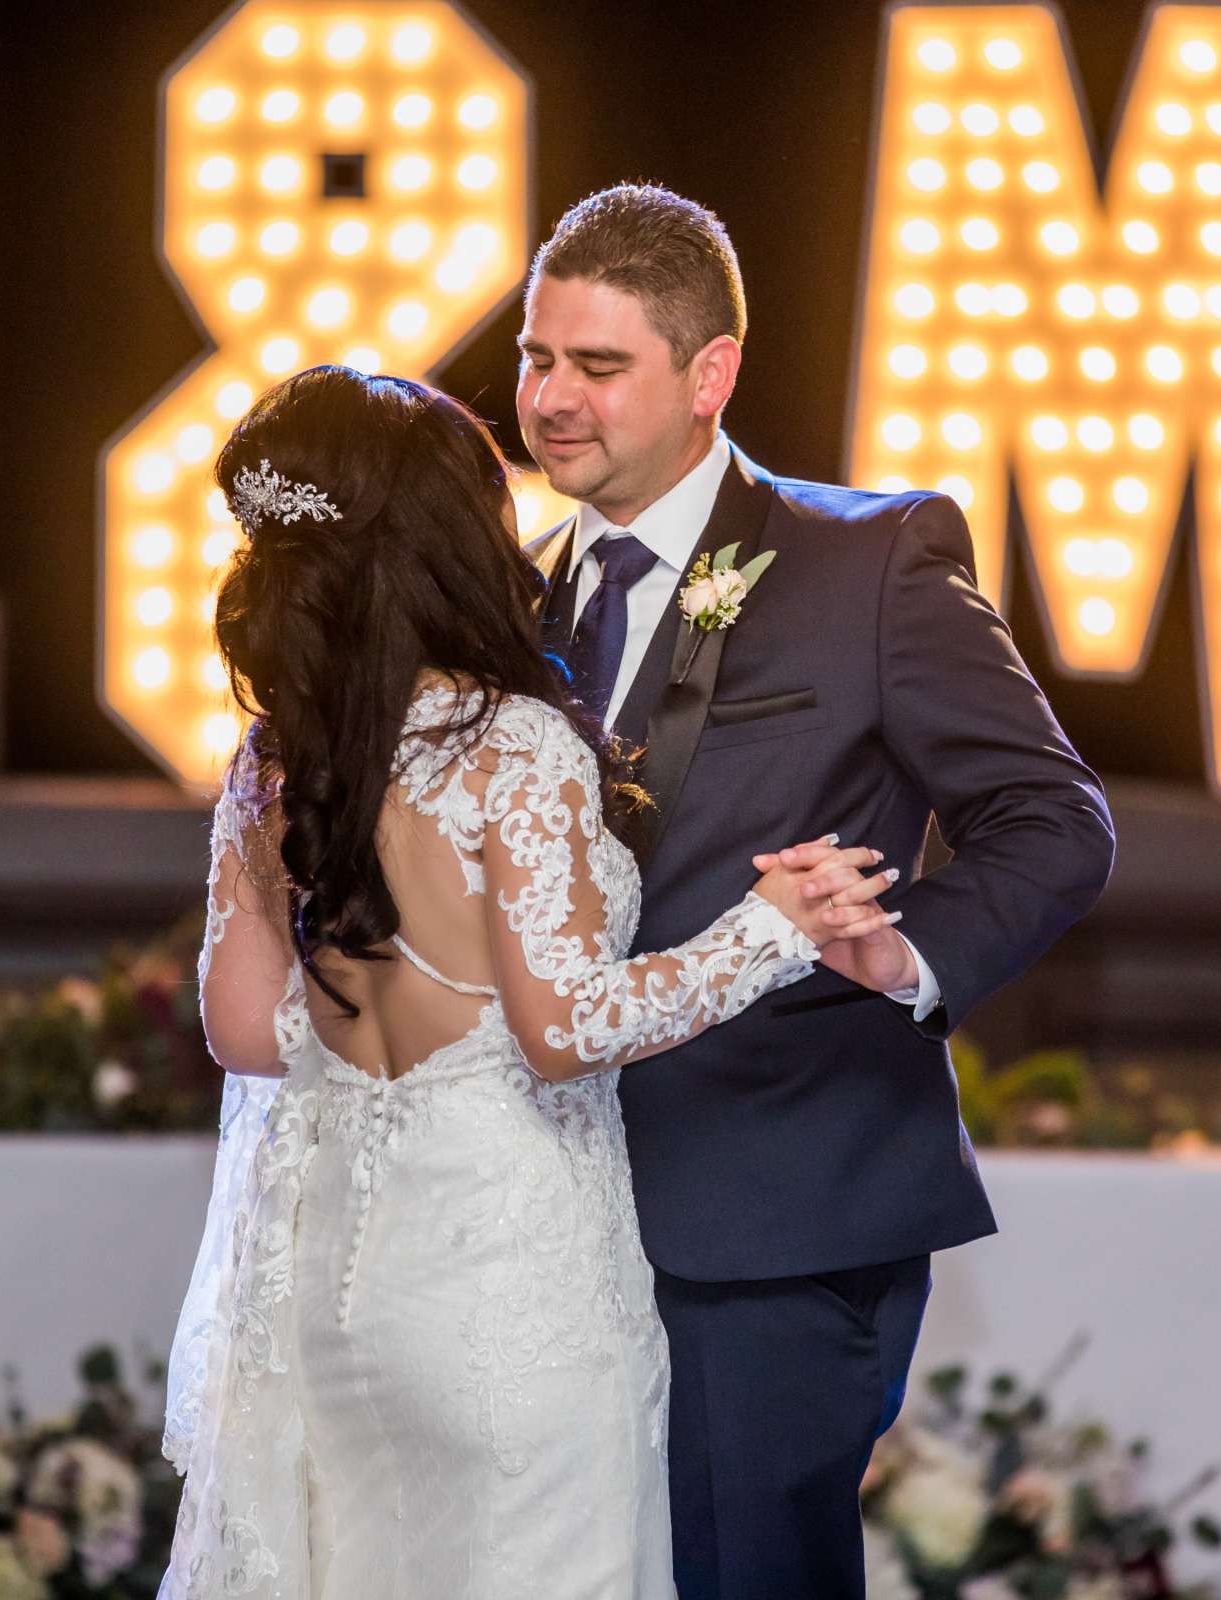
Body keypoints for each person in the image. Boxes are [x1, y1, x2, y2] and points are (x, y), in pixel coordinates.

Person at [159, 365, 904, 1599]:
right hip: (505, 1296)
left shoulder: (272, 759)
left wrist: (390, 1010)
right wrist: (768, 929)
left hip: (342, 1308)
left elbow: (241, 1029)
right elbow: (565, 1027)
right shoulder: (509, 740)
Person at [516, 184, 1114, 1598]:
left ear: (709, 372)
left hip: (775, 1223)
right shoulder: (512, 593)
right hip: (551, 1221)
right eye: (539, 358)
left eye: (597, 367)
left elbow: (1053, 819)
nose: (549, 398)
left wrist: (896, 960)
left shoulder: (869, 561)